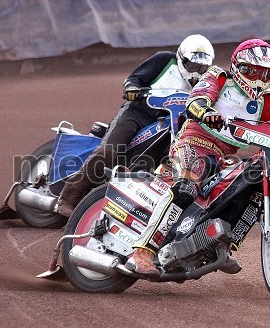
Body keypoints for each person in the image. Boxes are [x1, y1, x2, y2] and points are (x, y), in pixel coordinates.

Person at [125, 38, 270, 278]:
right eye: (254, 71)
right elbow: (196, 100)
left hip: (223, 157)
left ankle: (219, 242)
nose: (259, 80)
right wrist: (205, 112)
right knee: (186, 187)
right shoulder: (219, 78)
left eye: (266, 75)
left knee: (252, 181)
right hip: (193, 144)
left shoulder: (266, 100)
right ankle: (142, 252)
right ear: (239, 67)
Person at [57, 34, 215, 217]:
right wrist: (132, 88)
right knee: (109, 151)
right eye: (192, 65)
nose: (196, 71)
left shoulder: (207, 82)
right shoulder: (164, 60)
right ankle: (68, 197)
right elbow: (134, 78)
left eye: (202, 67)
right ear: (181, 58)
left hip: (172, 125)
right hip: (138, 113)